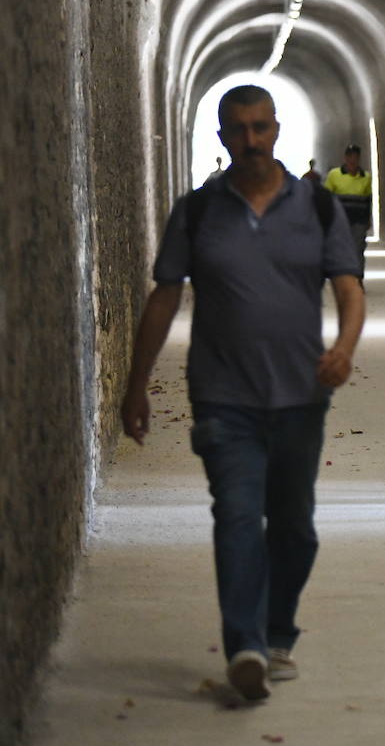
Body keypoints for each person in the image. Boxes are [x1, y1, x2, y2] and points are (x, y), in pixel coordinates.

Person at [119, 84, 365, 702]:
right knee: (235, 516)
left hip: (300, 397)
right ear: (222, 138)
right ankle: (246, 646)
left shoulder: (317, 207)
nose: (251, 139)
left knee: (294, 528)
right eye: (238, 129)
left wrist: (344, 347)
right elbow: (166, 295)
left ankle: (277, 630)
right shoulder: (198, 212)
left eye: (260, 127)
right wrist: (137, 384)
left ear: (276, 129)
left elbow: (348, 287)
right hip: (223, 395)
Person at [323, 145, 372, 279]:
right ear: (345, 158)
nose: (352, 159)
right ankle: (344, 278)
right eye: (349, 156)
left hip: (359, 220)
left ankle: (357, 278)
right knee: (341, 250)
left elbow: (368, 200)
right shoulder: (334, 175)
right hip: (340, 221)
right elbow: (327, 197)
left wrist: (369, 219)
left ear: (359, 158)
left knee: (358, 249)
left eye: (355, 156)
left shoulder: (365, 177)